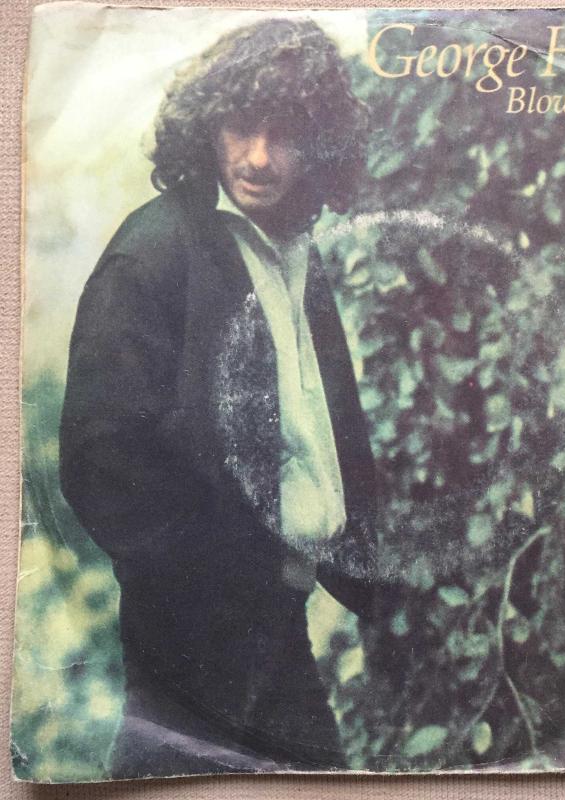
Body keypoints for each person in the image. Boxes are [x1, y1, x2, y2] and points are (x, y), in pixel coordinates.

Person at [59, 18, 377, 777]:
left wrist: (374, 583)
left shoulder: (292, 248)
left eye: (284, 134)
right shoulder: (154, 251)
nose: (258, 157)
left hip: (277, 624)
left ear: (320, 143)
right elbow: (100, 460)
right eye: (241, 126)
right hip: (191, 634)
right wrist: (211, 577)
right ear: (206, 125)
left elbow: (325, 429)